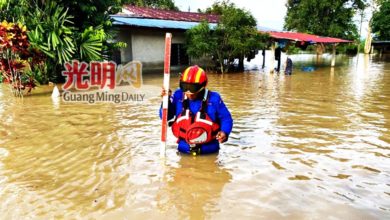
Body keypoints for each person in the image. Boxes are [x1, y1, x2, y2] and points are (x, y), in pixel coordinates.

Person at [160, 65, 233, 155]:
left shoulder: (214, 98)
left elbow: (226, 118)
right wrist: (166, 101)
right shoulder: (178, 95)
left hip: (209, 152)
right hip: (184, 151)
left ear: (203, 86)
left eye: (193, 88)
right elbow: (164, 117)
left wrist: (225, 132)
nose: (188, 92)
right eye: (184, 87)